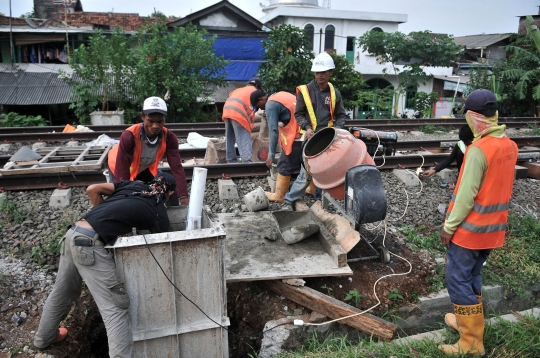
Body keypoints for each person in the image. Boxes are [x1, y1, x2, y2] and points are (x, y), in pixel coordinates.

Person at [33, 173, 177, 357]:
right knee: (116, 308)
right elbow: (166, 242)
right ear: (170, 193)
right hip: (89, 244)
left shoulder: (133, 185)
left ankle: (43, 338)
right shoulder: (158, 208)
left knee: (64, 291)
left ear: (153, 182)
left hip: (73, 233)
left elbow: (92, 189)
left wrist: (102, 222)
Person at [438, 89, 518, 356]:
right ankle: (466, 324)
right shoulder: (510, 145)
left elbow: (465, 197)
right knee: (473, 274)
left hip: (469, 231)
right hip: (493, 230)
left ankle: (471, 343)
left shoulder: (478, 149)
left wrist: (449, 227)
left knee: (457, 278)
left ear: (474, 117)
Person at [282, 52, 348, 210]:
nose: (320, 75)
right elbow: (298, 113)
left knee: (325, 171)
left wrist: (338, 128)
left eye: (323, 72)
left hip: (329, 139)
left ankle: (319, 202)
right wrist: (307, 127)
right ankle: (289, 200)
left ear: (330, 72)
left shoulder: (334, 93)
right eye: (317, 72)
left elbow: (341, 115)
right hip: (311, 138)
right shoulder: (305, 91)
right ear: (314, 73)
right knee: (306, 173)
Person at [108, 96, 189, 206]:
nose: (155, 126)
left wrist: (183, 197)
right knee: (124, 197)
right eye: (150, 121)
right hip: (119, 166)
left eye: (160, 121)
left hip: (143, 168)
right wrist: (124, 195)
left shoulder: (169, 137)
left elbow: (177, 168)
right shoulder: (129, 136)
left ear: (165, 118)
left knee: (169, 183)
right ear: (142, 116)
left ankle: (173, 215)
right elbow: (122, 172)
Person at [250, 89, 302, 202]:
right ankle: (312, 189)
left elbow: (273, 130)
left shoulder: (270, 104)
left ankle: (280, 196)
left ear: (261, 99)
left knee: (284, 164)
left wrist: (271, 155)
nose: (260, 109)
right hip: (306, 131)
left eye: (258, 106)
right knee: (306, 164)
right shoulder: (280, 95)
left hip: (298, 134)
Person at [222, 77, 263, 163]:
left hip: (227, 110)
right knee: (243, 137)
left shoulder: (238, 89)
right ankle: (247, 161)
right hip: (238, 112)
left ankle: (231, 160)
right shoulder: (256, 92)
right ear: (257, 86)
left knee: (230, 137)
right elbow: (252, 110)